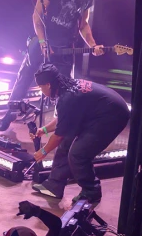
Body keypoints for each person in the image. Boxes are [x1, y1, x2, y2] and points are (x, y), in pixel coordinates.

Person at [0, 0, 104, 132]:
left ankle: (60, 125)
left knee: (66, 87)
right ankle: (12, 112)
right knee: (25, 75)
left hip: (65, 47)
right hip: (41, 41)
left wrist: (93, 45)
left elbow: (83, 25)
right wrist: (42, 42)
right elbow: (37, 17)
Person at [30, 63, 129, 203]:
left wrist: (43, 152)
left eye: (41, 87)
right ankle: (54, 185)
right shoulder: (67, 87)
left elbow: (58, 136)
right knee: (66, 143)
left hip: (112, 117)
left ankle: (91, 191)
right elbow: (64, 118)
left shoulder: (67, 98)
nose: (41, 91)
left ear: (48, 85)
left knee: (78, 154)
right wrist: (44, 129)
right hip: (101, 112)